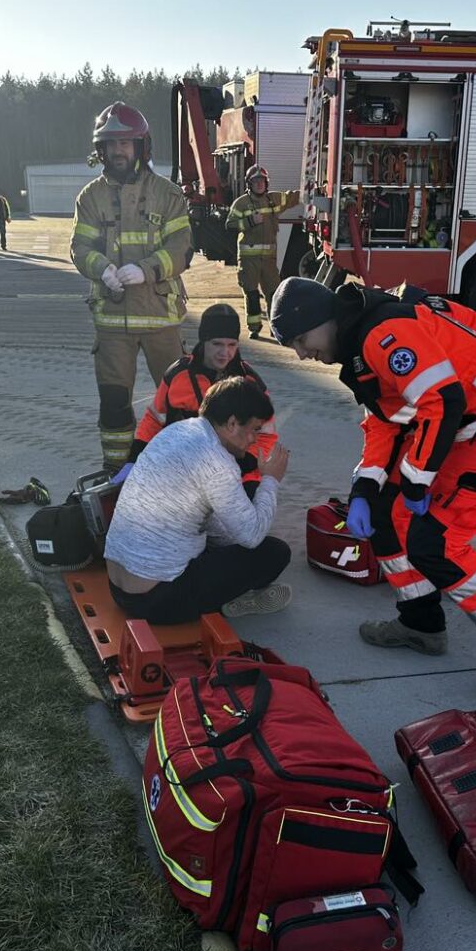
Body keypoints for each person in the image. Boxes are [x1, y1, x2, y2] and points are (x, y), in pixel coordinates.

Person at [269, 276, 476, 705]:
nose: (302, 353)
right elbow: (386, 421)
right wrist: (365, 487)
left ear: (325, 319)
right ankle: (421, 624)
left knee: (439, 546)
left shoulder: (383, 334)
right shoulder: (361, 341)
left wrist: (415, 480)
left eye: (302, 339)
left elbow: (441, 402)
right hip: (467, 434)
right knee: (382, 515)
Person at [104, 376, 292, 624]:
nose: (254, 440)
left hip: (117, 586)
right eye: (254, 430)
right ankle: (230, 603)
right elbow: (251, 535)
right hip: (155, 600)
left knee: (222, 537)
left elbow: (207, 519)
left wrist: (230, 542)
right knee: (274, 552)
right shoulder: (217, 462)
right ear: (233, 423)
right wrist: (270, 480)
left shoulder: (176, 431)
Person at [70, 101, 194, 471]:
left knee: (180, 401)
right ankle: (116, 472)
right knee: (113, 403)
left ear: (141, 146)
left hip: (159, 316)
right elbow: (80, 247)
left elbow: (182, 249)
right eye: (111, 144)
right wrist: (101, 269)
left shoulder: (168, 194)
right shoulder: (90, 197)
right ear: (101, 150)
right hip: (111, 319)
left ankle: (181, 470)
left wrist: (148, 269)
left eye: (125, 144)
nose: (118, 151)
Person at [111, 303, 276, 490]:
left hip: (239, 475)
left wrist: (245, 464)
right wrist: (133, 460)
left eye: (232, 345)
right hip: (185, 471)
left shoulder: (250, 381)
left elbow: (266, 434)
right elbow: (154, 420)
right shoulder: (178, 374)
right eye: (217, 344)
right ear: (203, 342)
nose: (225, 353)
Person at [228, 165, 299, 339]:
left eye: (262, 181)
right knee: (251, 293)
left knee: (274, 294)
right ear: (249, 184)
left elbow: (293, 197)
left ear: (266, 183)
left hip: (269, 260)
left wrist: (311, 188)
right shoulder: (242, 203)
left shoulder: (273, 199)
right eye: (255, 181)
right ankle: (254, 327)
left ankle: (274, 328)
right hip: (248, 259)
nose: (259, 184)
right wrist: (250, 221)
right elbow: (230, 224)